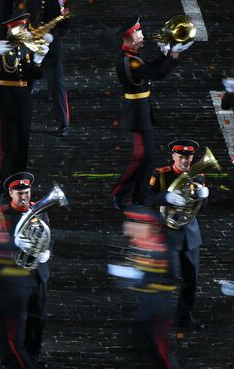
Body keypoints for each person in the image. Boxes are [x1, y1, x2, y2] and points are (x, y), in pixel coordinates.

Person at [110, 16, 192, 209]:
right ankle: (121, 193)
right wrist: (173, 55)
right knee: (143, 157)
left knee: (147, 157)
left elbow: (151, 67)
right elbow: (157, 73)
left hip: (141, 110)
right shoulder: (130, 61)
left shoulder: (132, 56)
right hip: (137, 113)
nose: (143, 35)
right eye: (139, 32)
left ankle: (140, 194)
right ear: (130, 36)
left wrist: (164, 55)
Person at [0, 172, 51, 369]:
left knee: (37, 318)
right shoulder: (2, 215)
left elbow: (47, 235)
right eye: (20, 193)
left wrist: (46, 253)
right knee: (17, 323)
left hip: (38, 274)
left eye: (27, 192)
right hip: (16, 278)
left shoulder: (40, 211)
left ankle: (33, 356)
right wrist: (14, 245)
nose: (25, 197)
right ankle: (13, 359)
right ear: (11, 193)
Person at [147, 139, 209, 330]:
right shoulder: (161, 174)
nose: (185, 161)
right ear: (173, 156)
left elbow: (199, 209)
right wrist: (165, 197)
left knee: (191, 278)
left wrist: (203, 197)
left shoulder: (197, 176)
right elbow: (146, 198)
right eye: (181, 157)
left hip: (189, 234)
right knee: (167, 277)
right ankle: (158, 317)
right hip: (167, 235)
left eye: (189, 157)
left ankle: (184, 317)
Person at [0, 13, 49, 197]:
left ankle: (19, 182)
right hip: (6, 98)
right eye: (20, 28)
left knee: (23, 143)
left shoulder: (28, 49)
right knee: (8, 146)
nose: (24, 31)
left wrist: (38, 60)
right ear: (11, 30)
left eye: (24, 28)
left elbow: (34, 75)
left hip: (23, 98)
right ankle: (2, 185)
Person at [122, 206, 178, 369]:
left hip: (156, 311)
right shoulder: (141, 244)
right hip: (145, 310)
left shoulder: (159, 250)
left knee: (162, 354)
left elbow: (165, 279)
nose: (128, 229)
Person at [26, 0, 71, 137]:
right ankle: (17, 116)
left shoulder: (59, 2)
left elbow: (65, 24)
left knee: (57, 85)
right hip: (32, 44)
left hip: (51, 47)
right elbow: (22, 13)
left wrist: (53, 36)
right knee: (25, 83)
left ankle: (63, 123)